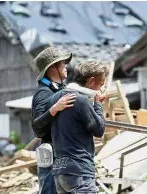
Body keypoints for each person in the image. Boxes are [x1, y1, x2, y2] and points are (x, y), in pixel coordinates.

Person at [47, 59, 108, 194]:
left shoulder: (54, 99)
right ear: (91, 81)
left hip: (59, 171)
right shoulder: (81, 101)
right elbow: (99, 130)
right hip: (79, 171)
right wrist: (97, 104)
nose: (101, 88)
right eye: (101, 84)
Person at [32, 47, 76, 194]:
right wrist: (54, 109)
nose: (66, 67)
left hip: (63, 157)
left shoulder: (58, 90)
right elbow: (38, 128)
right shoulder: (43, 93)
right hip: (51, 158)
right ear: (52, 68)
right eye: (63, 64)